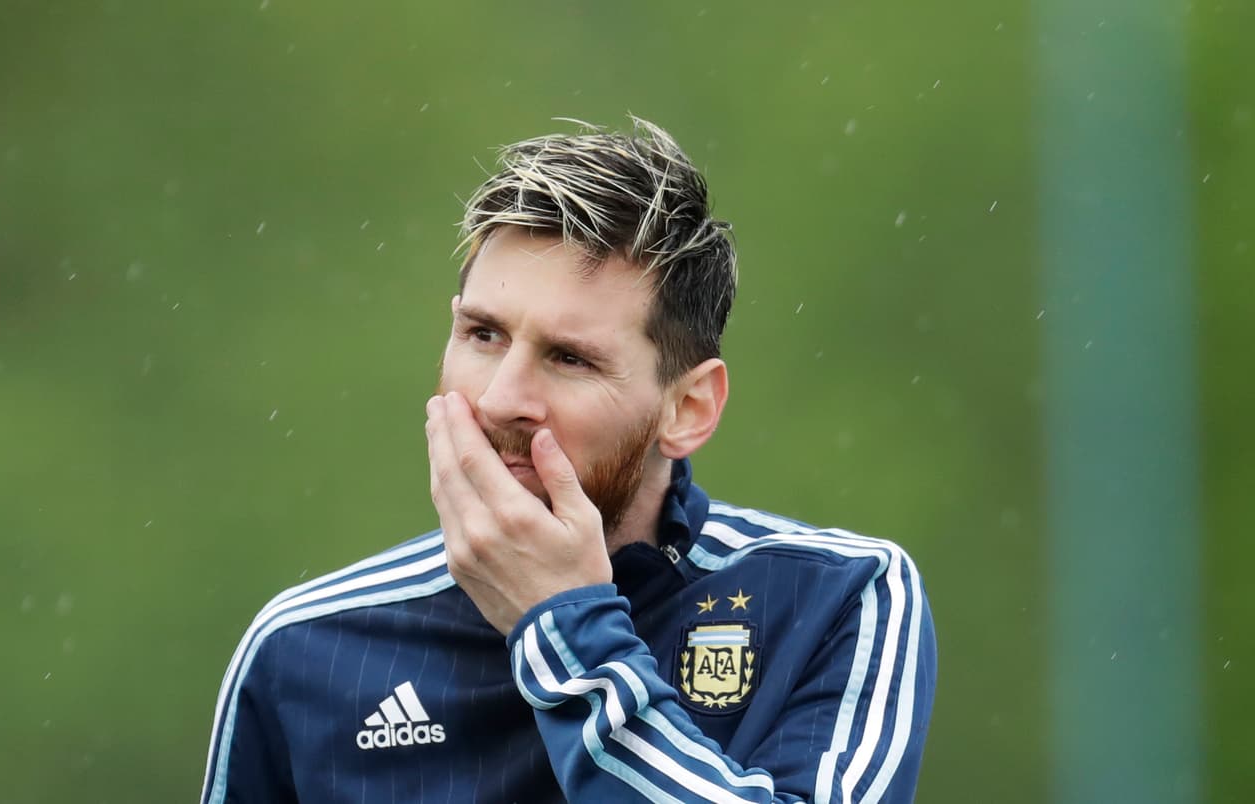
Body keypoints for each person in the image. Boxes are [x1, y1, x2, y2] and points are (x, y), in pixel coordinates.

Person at [200, 118, 936, 803]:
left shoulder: (838, 598)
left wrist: (562, 629)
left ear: (689, 410)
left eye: (569, 358)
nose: (499, 400)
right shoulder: (304, 649)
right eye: (483, 334)